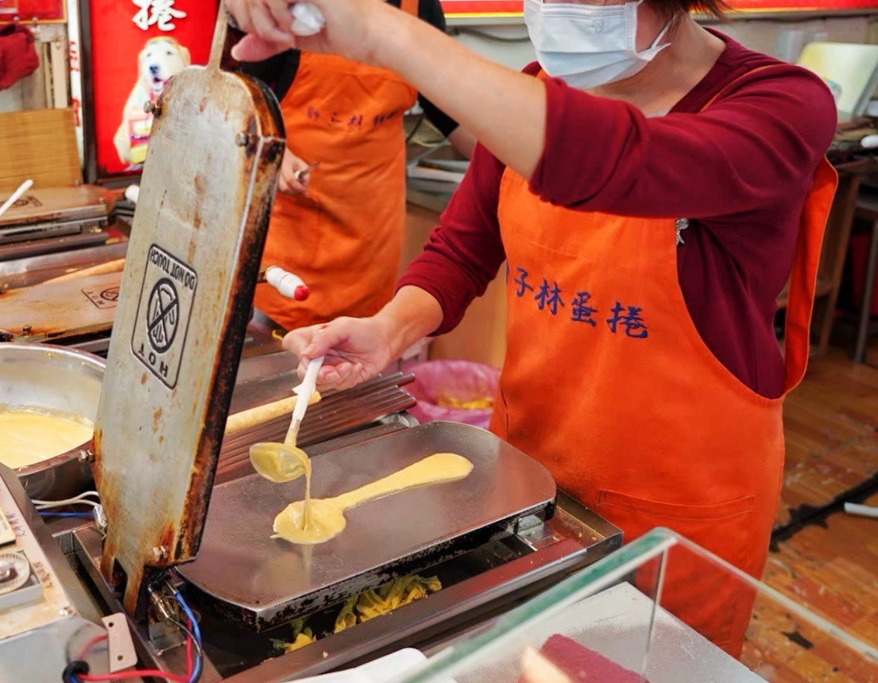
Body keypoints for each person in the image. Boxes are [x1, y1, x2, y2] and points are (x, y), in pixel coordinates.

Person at [227, 0, 837, 655]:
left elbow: (616, 160)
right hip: (527, 477)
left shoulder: (779, 106)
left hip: (678, 507)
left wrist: (383, 35)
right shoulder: (537, 89)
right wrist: (390, 326)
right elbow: (463, 249)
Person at [239, 0, 476, 331]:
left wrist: (516, 170)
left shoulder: (418, 8)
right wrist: (272, 151)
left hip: (370, 249)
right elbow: (239, 101)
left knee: (358, 361)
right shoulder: (296, 9)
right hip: (288, 243)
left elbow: (447, 108)